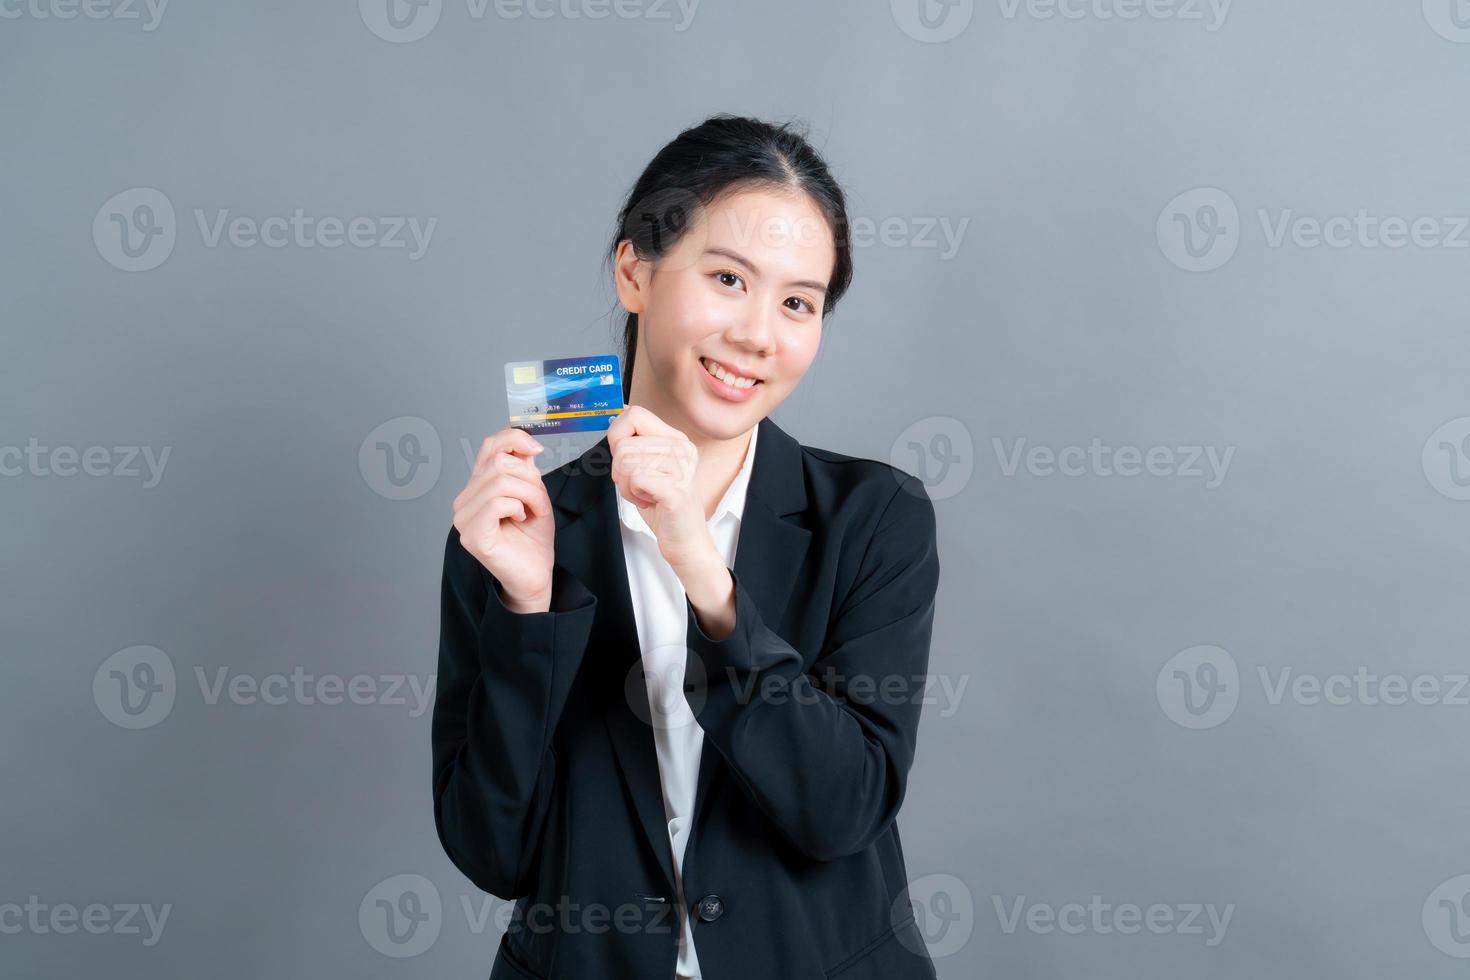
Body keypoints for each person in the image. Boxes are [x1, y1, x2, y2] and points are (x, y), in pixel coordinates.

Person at [432, 113, 941, 980]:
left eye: (797, 303)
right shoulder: (516, 528)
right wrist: (526, 610)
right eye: (728, 279)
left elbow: (841, 810)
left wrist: (706, 575)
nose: (758, 335)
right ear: (636, 271)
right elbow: (494, 853)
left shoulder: (875, 517)